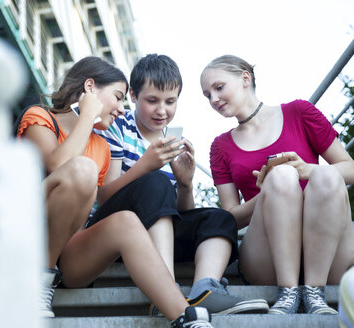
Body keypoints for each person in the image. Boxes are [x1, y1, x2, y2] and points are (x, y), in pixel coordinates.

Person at [16, 56, 213, 328]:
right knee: (82, 170)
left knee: (126, 221)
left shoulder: (102, 147)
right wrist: (87, 114)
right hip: (31, 243)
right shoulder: (39, 116)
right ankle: (39, 283)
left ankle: (186, 317)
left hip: (73, 256)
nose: (122, 109)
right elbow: (57, 165)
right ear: (89, 88)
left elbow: (104, 200)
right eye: (118, 98)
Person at [92, 53, 269, 315]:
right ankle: (166, 291)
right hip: (118, 233)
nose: (162, 111)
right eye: (152, 101)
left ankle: (205, 289)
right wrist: (146, 165)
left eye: (170, 102)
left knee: (221, 218)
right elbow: (103, 197)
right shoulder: (115, 126)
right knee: (155, 181)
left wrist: (186, 184)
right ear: (132, 95)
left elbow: (179, 213)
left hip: (158, 239)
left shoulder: (173, 140)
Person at [200, 54, 354, 315]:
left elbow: (350, 168)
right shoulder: (220, 146)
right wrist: (266, 193)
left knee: (327, 174)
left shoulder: (300, 112)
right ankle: (288, 291)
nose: (213, 100)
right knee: (281, 176)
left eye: (218, 88)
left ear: (245, 79)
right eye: (207, 95)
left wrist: (307, 170)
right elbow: (229, 219)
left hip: (328, 255)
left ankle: (314, 291)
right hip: (268, 257)